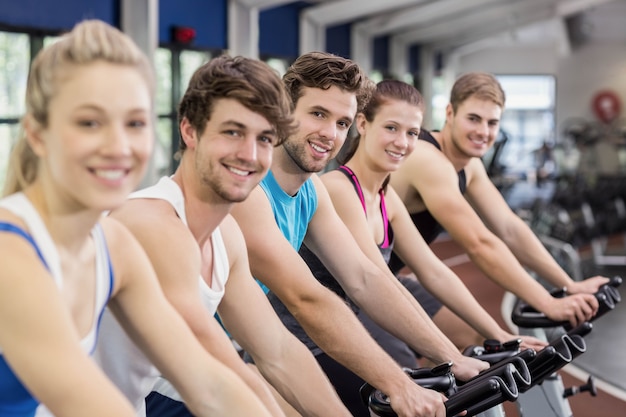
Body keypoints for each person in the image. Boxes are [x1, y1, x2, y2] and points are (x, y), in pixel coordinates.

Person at [0, 19, 272, 417]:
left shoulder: (113, 244)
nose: (118, 146)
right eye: (89, 122)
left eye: (135, 123)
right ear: (38, 134)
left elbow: (208, 385)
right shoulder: (12, 256)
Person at [231, 51, 488, 417]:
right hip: (199, 368)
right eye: (318, 114)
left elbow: (365, 279)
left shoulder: (312, 192)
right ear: (283, 111)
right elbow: (307, 299)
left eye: (341, 122)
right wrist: (399, 386)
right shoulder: (251, 191)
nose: (329, 133)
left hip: (258, 353)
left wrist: (451, 357)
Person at [93, 55, 352, 417]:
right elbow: (213, 377)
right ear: (190, 130)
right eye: (233, 132)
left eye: (264, 138)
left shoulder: (225, 234)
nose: (249, 154)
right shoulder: (153, 224)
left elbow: (276, 349)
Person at [303, 79, 546, 369]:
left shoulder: (386, 197)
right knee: (411, 373)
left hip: (355, 311)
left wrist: (500, 335)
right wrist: (450, 356)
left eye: (412, 133)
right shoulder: (340, 189)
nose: (402, 143)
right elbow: (376, 283)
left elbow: (433, 271)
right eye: (391, 128)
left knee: (476, 342)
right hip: (312, 341)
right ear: (363, 124)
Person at [389, 72, 609, 329]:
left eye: (492, 123)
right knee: (417, 358)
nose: (483, 131)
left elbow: (509, 227)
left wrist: (569, 285)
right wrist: (547, 303)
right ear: (450, 113)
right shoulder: (428, 159)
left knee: (477, 341)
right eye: (473, 119)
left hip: (386, 276)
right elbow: (479, 243)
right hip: (348, 282)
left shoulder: (469, 165)